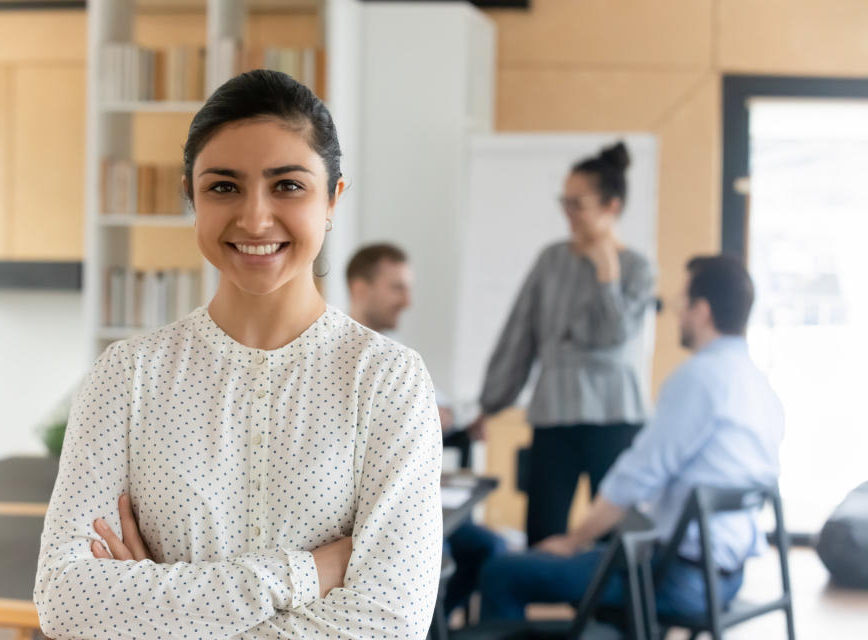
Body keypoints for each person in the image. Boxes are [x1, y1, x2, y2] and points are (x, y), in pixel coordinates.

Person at [33, 71, 443, 639]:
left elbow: (390, 624)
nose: (254, 218)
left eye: (288, 186)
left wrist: (156, 612)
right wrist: (306, 573)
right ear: (192, 197)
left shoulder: (388, 381)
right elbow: (66, 600)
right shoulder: (127, 376)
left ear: (333, 198)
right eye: (223, 186)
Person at [479, 255, 784, 620]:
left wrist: (573, 541)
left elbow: (637, 477)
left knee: (502, 573)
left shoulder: (698, 380)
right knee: (602, 567)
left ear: (701, 311)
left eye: (681, 301)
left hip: (679, 578)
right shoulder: (759, 386)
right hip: (728, 578)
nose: (676, 312)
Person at [469, 141, 655, 547]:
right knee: (543, 528)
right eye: (564, 202)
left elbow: (616, 336)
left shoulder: (637, 269)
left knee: (614, 534)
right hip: (553, 411)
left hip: (616, 414)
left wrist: (607, 273)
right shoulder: (551, 260)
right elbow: (519, 336)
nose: (567, 213)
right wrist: (491, 404)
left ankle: (607, 612)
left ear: (612, 205)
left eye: (578, 203)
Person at [345, 243, 505, 619]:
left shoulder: (397, 359)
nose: (408, 300)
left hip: (416, 507)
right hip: (372, 521)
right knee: (436, 557)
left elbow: (445, 407)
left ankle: (439, 625)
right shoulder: (339, 357)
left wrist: (462, 417)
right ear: (360, 288)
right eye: (397, 287)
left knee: (492, 549)